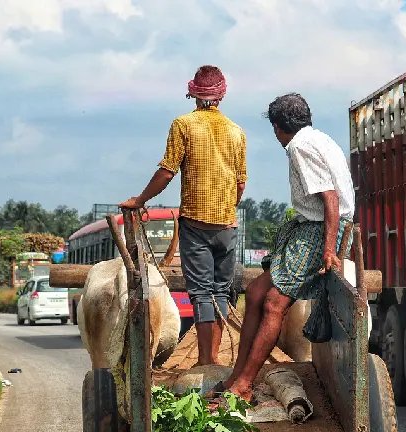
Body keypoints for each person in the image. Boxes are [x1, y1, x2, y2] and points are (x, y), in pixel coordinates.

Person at [209, 93, 355, 402]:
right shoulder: (318, 138)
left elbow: (330, 199)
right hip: (313, 225)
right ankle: (237, 375)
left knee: (275, 302)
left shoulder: (299, 146)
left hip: (321, 228)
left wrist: (329, 251)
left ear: (278, 127)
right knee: (257, 292)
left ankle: (245, 384)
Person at [119, 65, 247, 366]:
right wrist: (227, 207)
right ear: (222, 95)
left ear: (193, 94)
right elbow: (240, 182)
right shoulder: (236, 131)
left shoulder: (183, 125)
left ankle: (206, 362)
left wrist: (140, 200)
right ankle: (215, 360)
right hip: (227, 226)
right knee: (221, 292)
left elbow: (166, 173)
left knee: (202, 294)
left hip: (196, 225)